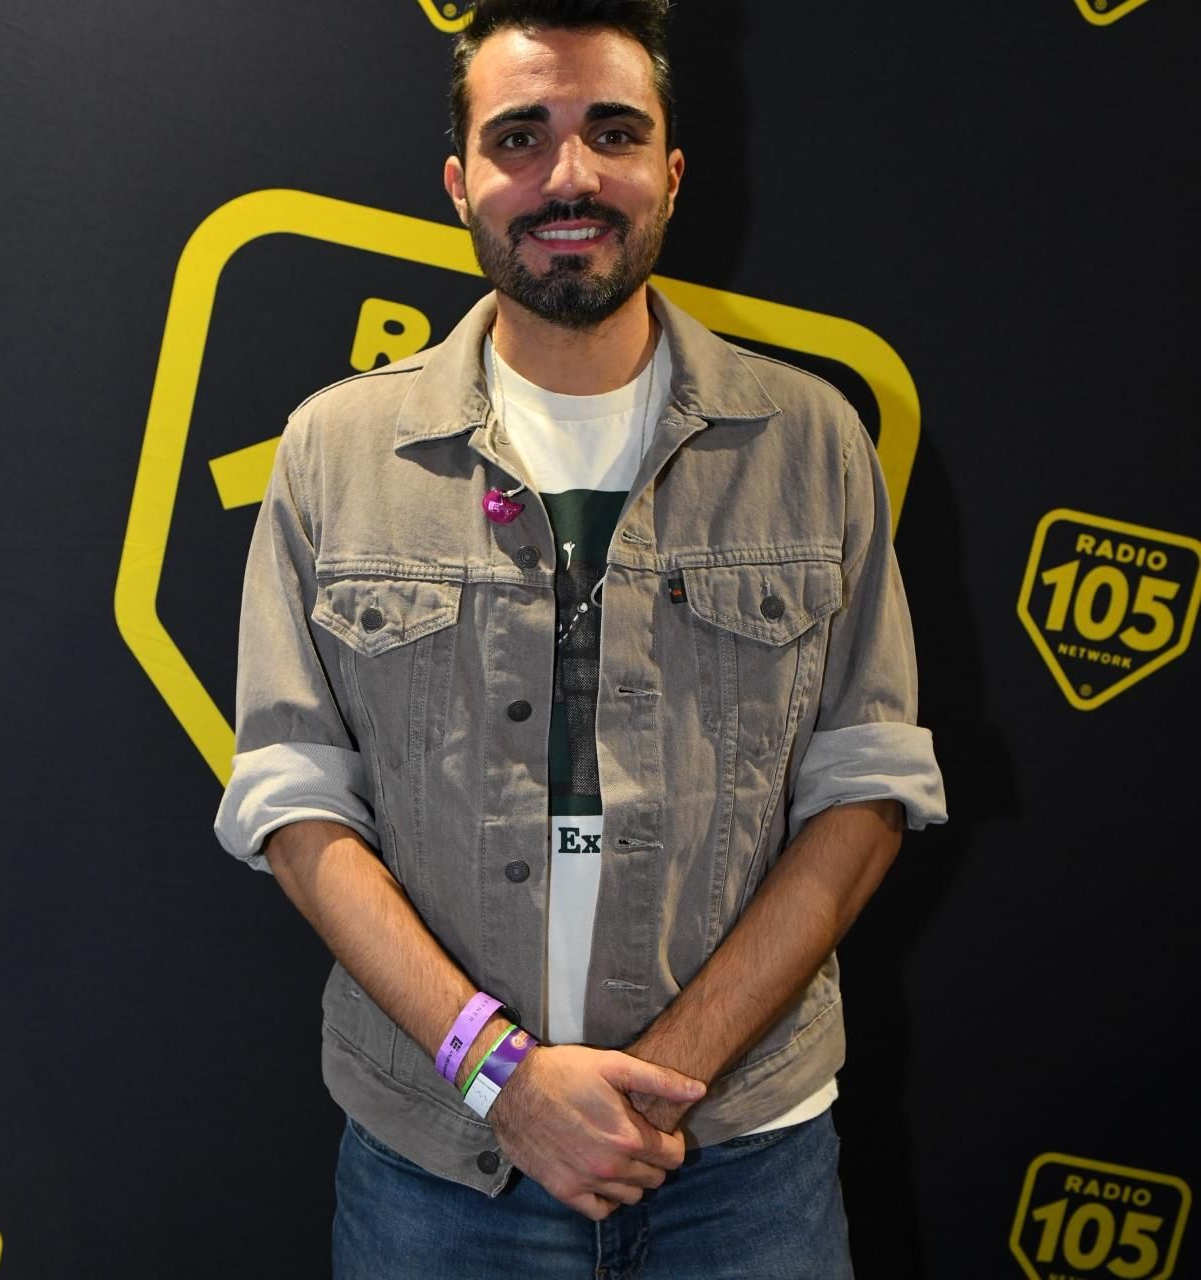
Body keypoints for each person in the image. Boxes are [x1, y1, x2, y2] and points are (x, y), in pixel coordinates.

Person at [215, 0, 946, 1274]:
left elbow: (863, 788)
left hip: (742, 1165)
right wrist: (502, 1076)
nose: (568, 175)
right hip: (437, 1170)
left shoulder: (809, 441)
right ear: (458, 183)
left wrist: (660, 1083)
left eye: (612, 132)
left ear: (671, 170)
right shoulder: (336, 450)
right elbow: (294, 800)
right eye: (519, 136)